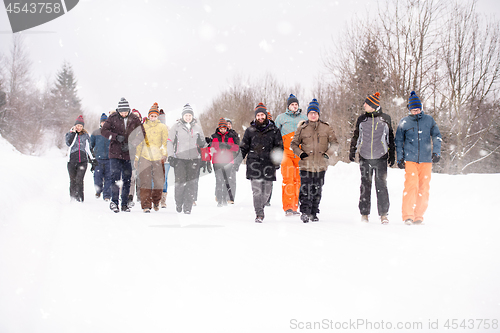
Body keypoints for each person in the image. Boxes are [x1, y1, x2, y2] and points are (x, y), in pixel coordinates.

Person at [395, 91, 442, 225]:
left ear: (421, 108)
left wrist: (436, 152)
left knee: (424, 188)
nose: (416, 111)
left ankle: (418, 216)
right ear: (409, 109)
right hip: (410, 160)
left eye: (418, 109)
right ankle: (408, 215)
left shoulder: (429, 120)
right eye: (413, 109)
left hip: (426, 160)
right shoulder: (404, 122)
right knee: (411, 186)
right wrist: (400, 158)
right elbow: (398, 141)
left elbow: (437, 136)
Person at [349, 92, 395, 224]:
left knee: (381, 185)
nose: (364, 105)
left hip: (381, 157)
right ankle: (364, 213)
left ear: (373, 106)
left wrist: (392, 154)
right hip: (365, 157)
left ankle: (384, 214)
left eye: (367, 103)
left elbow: (390, 137)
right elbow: (356, 136)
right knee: (365, 185)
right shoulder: (362, 119)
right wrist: (352, 150)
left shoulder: (385, 118)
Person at [291, 99, 338, 223]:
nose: (313, 115)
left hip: (321, 165)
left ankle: (314, 212)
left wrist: (327, 154)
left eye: (315, 113)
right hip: (306, 164)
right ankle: (305, 212)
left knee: (317, 189)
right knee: (305, 189)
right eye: (311, 113)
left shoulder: (326, 128)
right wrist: (301, 154)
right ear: (307, 115)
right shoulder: (302, 128)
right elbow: (294, 144)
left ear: (318, 114)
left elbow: (334, 143)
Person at [239, 103, 283, 223]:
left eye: (262, 115)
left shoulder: (274, 131)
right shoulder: (250, 131)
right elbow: (243, 147)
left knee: (267, 191)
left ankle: (261, 207)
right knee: (257, 191)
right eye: (258, 115)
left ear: (266, 116)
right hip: (254, 164)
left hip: (269, 164)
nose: (260, 117)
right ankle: (259, 213)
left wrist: (277, 161)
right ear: (255, 117)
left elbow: (279, 148)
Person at [101, 97, 145, 213]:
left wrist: (132, 144)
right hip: (115, 153)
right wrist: (115, 137)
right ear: (118, 110)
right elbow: (104, 131)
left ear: (129, 110)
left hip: (128, 154)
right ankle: (114, 202)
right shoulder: (112, 117)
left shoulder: (134, 119)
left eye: (125, 112)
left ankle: (124, 203)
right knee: (115, 177)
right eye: (122, 112)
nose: (124, 114)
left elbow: (141, 134)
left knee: (127, 179)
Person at [167, 103, 207, 214]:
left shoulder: (197, 128)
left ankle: (188, 206)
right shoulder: (176, 127)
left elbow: (203, 144)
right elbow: (170, 141)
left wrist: (205, 159)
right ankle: (179, 203)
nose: (188, 117)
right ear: (182, 116)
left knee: (191, 184)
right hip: (179, 159)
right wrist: (170, 156)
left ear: (192, 116)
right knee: (180, 183)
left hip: (194, 159)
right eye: (186, 115)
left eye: (190, 115)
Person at [274, 94, 307, 216]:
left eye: (296, 104)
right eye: (292, 104)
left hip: (299, 153)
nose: (294, 106)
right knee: (288, 179)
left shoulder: (304, 118)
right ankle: (288, 207)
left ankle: (294, 206)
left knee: (298, 180)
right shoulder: (281, 118)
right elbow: (274, 133)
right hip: (286, 153)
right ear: (288, 106)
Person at [135, 103, 169, 213]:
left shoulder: (162, 127)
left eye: (155, 116)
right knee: (145, 181)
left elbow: (164, 143)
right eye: (151, 116)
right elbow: (139, 143)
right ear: (148, 116)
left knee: (159, 181)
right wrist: (137, 157)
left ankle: (156, 200)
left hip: (158, 157)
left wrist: (164, 153)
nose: (153, 118)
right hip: (145, 156)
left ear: (157, 116)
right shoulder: (143, 127)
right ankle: (145, 205)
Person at [65, 115, 96, 202]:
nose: (79, 128)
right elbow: (69, 144)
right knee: (72, 180)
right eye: (78, 126)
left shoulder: (85, 135)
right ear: (75, 125)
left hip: (82, 161)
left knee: (79, 179)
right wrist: (73, 133)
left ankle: (80, 198)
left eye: (81, 126)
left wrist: (92, 159)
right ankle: (73, 198)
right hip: (71, 161)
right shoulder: (69, 134)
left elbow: (88, 148)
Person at [210, 117, 239, 207]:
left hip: (228, 161)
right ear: (218, 128)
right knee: (219, 180)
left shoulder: (231, 136)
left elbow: (236, 148)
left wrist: (228, 145)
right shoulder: (214, 136)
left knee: (226, 181)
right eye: (221, 128)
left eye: (224, 128)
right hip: (217, 161)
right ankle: (219, 199)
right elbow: (211, 148)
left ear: (227, 128)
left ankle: (225, 199)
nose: (223, 130)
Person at [90, 113, 112, 201]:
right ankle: (98, 191)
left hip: (109, 159)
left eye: (106, 122)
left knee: (109, 178)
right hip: (98, 159)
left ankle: (107, 195)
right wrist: (92, 157)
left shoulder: (111, 133)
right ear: (100, 123)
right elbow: (91, 145)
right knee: (97, 177)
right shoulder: (95, 133)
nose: (104, 123)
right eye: (103, 122)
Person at [225, 118, 240, 203]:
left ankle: (230, 198)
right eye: (227, 124)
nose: (228, 125)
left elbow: (238, 148)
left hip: (233, 159)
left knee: (232, 180)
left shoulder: (235, 134)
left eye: (230, 124)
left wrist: (237, 161)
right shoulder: (221, 134)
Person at [159, 108, 170, 208]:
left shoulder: (169, 130)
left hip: (166, 159)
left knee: (164, 179)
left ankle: (163, 198)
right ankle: (156, 197)